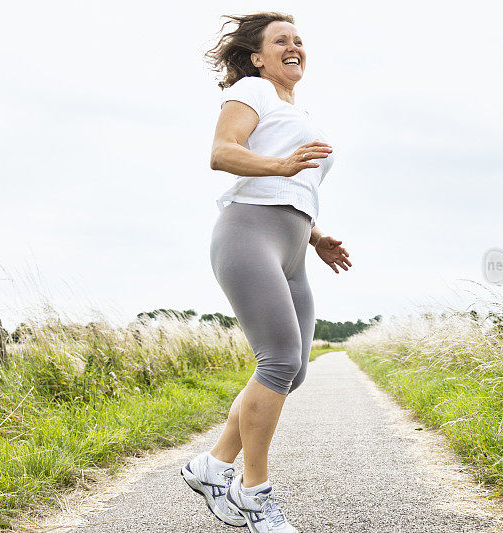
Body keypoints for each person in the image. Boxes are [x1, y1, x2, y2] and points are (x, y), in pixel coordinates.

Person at [180, 11, 352, 533]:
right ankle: (254, 493)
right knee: (276, 361)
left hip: (295, 247)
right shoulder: (253, 90)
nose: (294, 46)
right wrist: (282, 165)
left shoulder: (302, 114)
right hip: (248, 234)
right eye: (281, 40)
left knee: (293, 370)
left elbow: (296, 188)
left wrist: (317, 237)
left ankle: (211, 466)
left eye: (299, 40)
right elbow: (222, 153)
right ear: (258, 57)